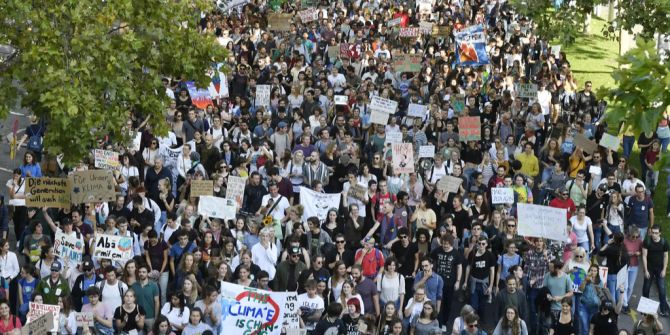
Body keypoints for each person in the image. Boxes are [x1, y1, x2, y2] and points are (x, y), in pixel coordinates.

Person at [642, 225, 669, 316]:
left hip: (660, 269)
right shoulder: (647, 241)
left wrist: (664, 269)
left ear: (660, 233)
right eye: (652, 232)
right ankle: (644, 309)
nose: (654, 235)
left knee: (662, 289)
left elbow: (666, 256)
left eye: (656, 233)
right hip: (649, 268)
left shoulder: (664, 242)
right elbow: (644, 256)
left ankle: (663, 310)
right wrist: (645, 270)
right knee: (646, 288)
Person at [132, 263, 160, 331]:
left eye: (144, 272)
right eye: (140, 272)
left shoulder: (154, 286)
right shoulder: (134, 286)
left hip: (150, 317)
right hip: (137, 316)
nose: (141, 274)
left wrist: (156, 317)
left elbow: (157, 302)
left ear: (148, 273)